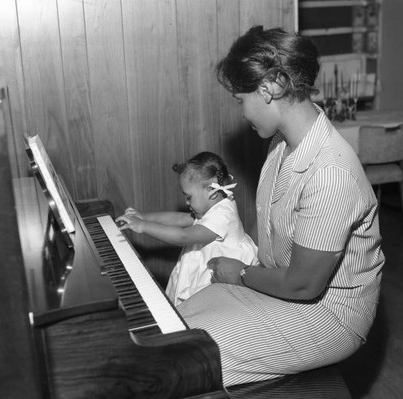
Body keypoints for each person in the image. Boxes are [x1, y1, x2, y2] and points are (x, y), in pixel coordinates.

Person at [176, 26, 385, 387]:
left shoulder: (331, 171)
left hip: (330, 315)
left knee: (185, 358)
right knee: (179, 320)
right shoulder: (281, 143)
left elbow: (304, 285)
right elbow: (271, 225)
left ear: (270, 87)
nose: (242, 113)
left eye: (240, 100)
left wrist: (241, 274)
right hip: (286, 287)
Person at [116, 151, 258, 306]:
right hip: (202, 265)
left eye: (189, 196)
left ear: (211, 191)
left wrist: (143, 226)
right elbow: (177, 219)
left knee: (201, 309)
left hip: (218, 277)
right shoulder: (209, 207)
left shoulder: (223, 216)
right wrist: (144, 216)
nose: (186, 202)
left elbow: (183, 236)